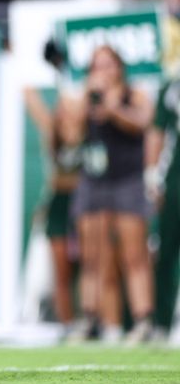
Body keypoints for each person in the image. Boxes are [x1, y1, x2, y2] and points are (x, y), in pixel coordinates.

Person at [72, 45, 154, 344]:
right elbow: (70, 135)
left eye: (108, 65)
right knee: (92, 254)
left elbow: (142, 123)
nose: (103, 72)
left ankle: (143, 320)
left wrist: (112, 106)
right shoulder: (86, 98)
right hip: (94, 180)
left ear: (119, 67)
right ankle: (92, 319)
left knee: (134, 255)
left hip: (127, 180)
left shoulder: (135, 94)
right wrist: (85, 102)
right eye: (97, 66)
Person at [24, 87, 84, 334]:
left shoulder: (88, 133)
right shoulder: (52, 133)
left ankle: (91, 321)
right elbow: (31, 99)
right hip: (59, 203)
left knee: (88, 267)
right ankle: (68, 323)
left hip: (83, 204)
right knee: (61, 270)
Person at [144, 76, 180, 342]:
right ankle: (163, 323)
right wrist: (152, 176)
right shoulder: (172, 87)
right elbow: (157, 131)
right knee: (164, 253)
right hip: (174, 181)